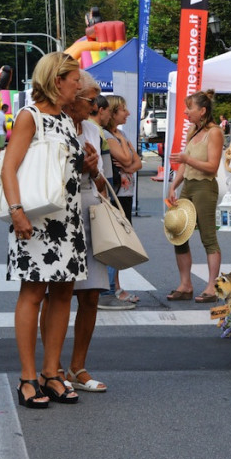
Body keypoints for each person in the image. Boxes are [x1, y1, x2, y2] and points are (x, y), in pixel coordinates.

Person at [1, 52, 89, 407]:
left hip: (67, 219)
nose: (78, 85)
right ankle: (27, 378)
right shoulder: (29, 117)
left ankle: (51, 373)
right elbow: (9, 169)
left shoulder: (67, 120)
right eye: (74, 79)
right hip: (35, 220)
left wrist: (87, 164)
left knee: (63, 295)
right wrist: (16, 211)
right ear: (56, 80)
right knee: (33, 294)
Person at [41, 71, 109, 392]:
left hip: (90, 209)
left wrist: (95, 171)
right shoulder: (54, 124)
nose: (96, 105)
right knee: (56, 294)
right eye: (91, 98)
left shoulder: (94, 130)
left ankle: (77, 367)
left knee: (91, 294)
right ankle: (51, 366)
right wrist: (78, 167)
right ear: (74, 94)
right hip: (60, 210)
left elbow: (105, 183)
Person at [167, 89, 224, 303]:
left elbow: (212, 166)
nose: (185, 112)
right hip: (188, 186)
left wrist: (186, 160)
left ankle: (212, 286)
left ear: (202, 110)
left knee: (208, 237)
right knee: (178, 234)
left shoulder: (214, 132)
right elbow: (185, 161)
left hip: (204, 187)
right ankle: (185, 285)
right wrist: (174, 185)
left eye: (189, 108)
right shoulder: (193, 130)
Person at [98, 95, 142, 309]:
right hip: (116, 193)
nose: (128, 113)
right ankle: (109, 288)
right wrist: (127, 151)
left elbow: (137, 163)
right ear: (113, 112)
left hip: (125, 193)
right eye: (123, 110)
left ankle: (115, 285)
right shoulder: (108, 135)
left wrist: (129, 161)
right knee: (116, 241)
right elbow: (127, 159)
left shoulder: (120, 134)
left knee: (122, 240)